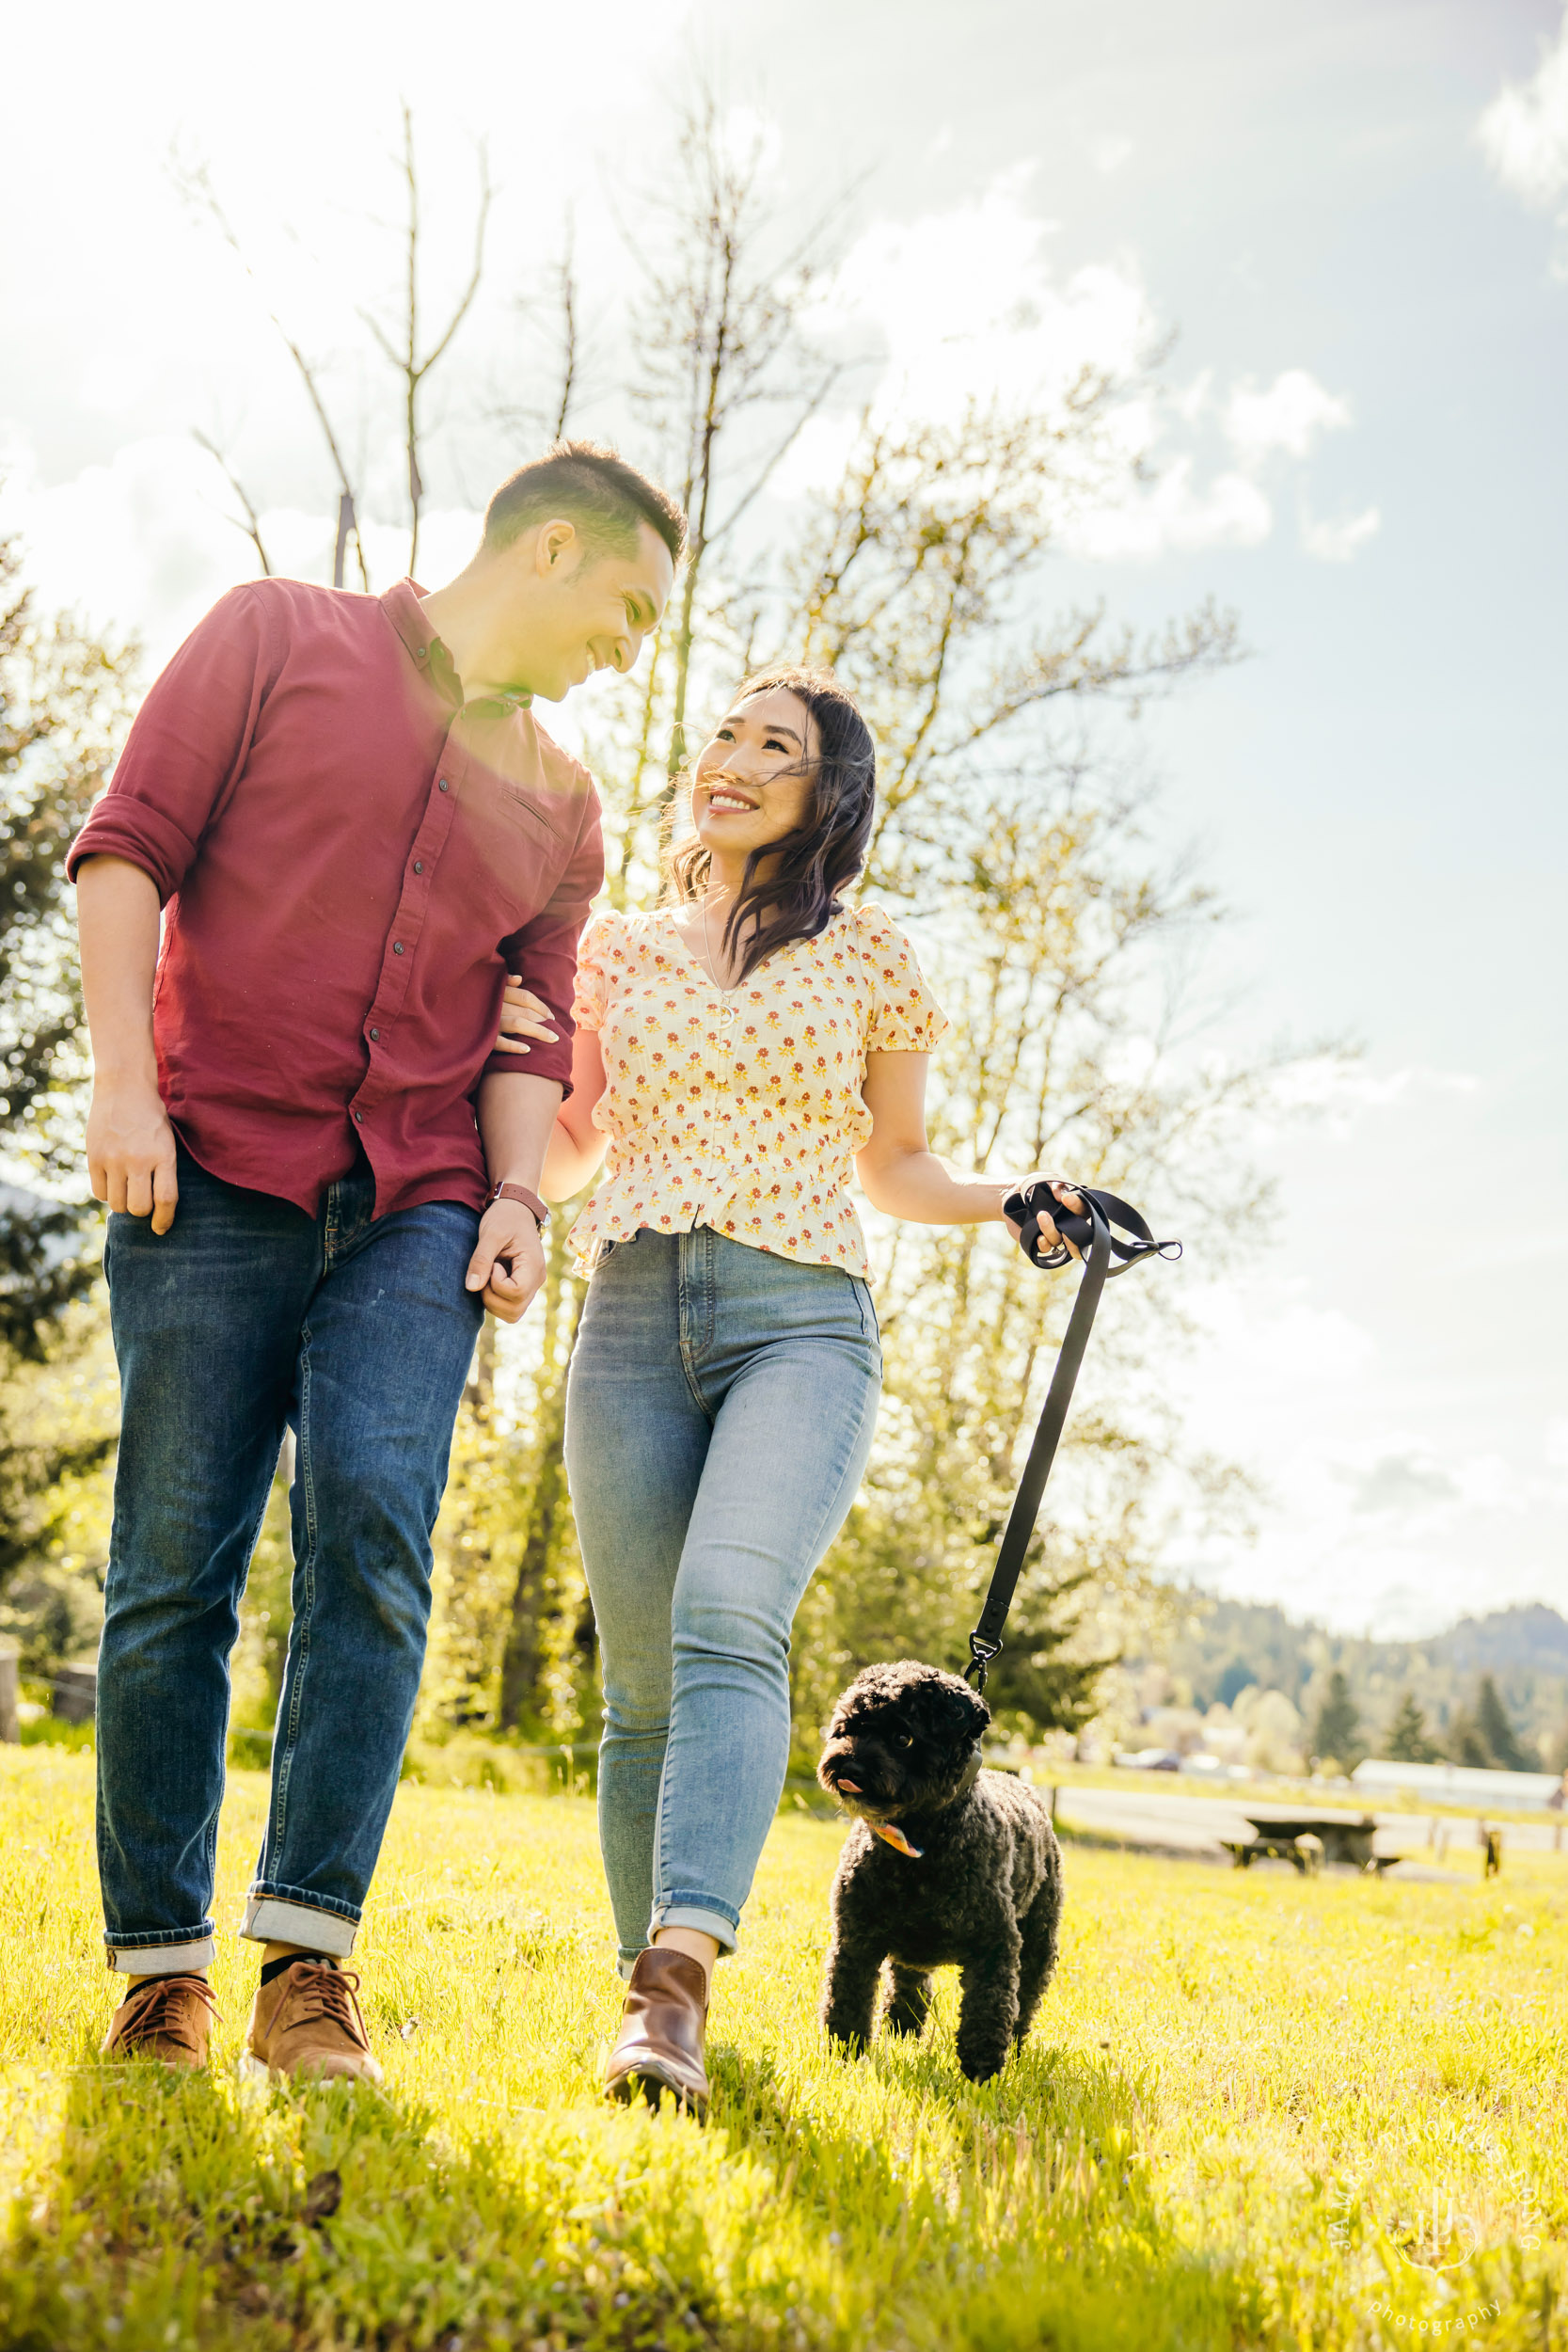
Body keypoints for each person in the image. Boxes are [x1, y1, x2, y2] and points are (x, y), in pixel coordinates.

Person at [71, 440, 684, 2079]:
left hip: (417, 1206)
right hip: (202, 1174)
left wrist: (515, 1198)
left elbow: (530, 1025)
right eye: (626, 608)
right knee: (172, 1570)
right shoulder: (274, 635)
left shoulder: (564, 807)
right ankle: (160, 1972)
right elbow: (128, 848)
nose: (630, 648)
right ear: (550, 549)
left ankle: (307, 1968)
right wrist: (122, 1085)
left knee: (375, 1544)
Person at [501, 664, 1081, 2117]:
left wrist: (1014, 1194)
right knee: (639, 1692)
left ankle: (676, 1985)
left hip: (799, 1322)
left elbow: (896, 1164)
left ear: (830, 793)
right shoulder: (619, 947)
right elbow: (576, 1133)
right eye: (728, 735)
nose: (739, 760)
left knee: (725, 1622)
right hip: (630, 1313)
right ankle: (651, 1990)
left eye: (782, 746)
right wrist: (511, 1188)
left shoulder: (873, 951)